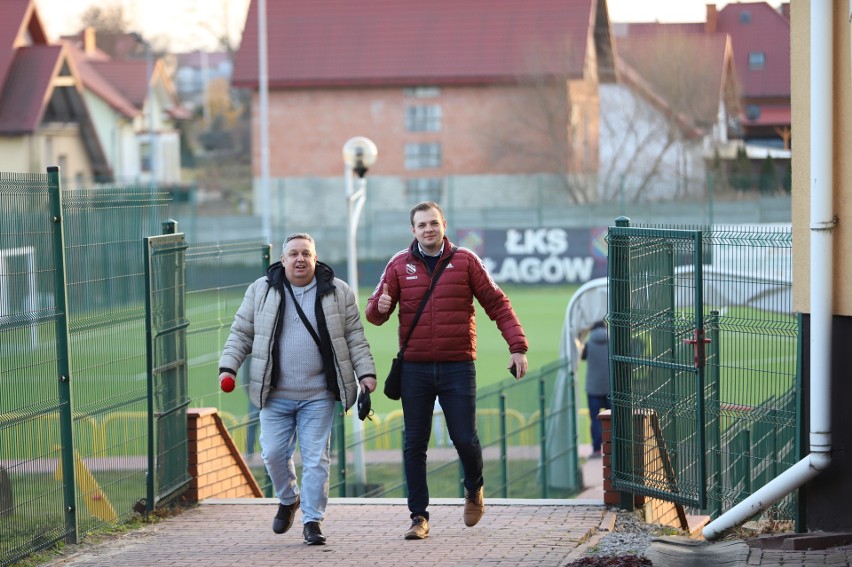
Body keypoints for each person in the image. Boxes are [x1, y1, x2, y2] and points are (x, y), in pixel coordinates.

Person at [366, 201, 528, 540]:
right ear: (413, 230)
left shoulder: (466, 261)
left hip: (458, 367)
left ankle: (473, 488)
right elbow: (374, 313)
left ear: (444, 225)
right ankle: (418, 517)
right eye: (421, 224)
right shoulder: (398, 264)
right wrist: (378, 308)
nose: (428, 229)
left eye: (433, 223)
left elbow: (498, 304)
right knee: (414, 443)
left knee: (465, 439)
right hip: (415, 369)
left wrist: (517, 348)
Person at [218, 233, 377, 545]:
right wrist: (228, 368)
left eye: (306, 253)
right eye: (293, 254)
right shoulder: (261, 290)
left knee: (316, 458)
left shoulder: (338, 291)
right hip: (274, 393)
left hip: (318, 394)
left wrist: (366, 374)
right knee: (274, 453)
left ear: (315, 258)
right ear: (283, 259)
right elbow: (241, 332)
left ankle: (312, 521)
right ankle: (289, 498)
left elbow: (355, 337)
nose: (300, 259)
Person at [581, 320, 611, 458]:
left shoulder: (589, 344)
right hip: (610, 387)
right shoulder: (613, 342)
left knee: (595, 419)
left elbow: (582, 357)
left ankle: (597, 449)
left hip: (593, 388)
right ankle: (613, 447)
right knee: (614, 418)